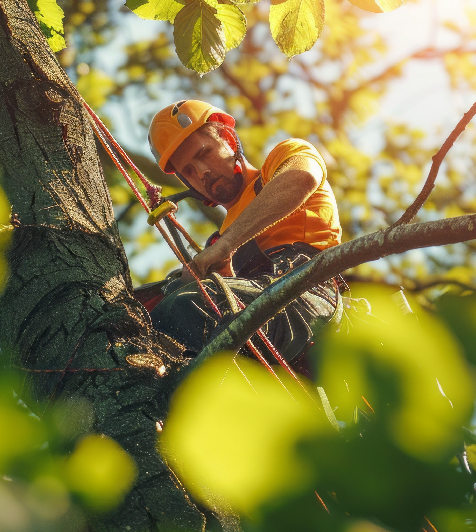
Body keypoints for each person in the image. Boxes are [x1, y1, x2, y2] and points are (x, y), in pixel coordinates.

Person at [144, 99, 344, 369]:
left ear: (227, 138)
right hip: (258, 311)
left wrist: (226, 246)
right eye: (189, 171)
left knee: (182, 309)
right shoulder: (218, 240)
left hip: (307, 296)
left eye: (204, 154)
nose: (202, 172)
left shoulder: (282, 162)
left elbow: (301, 178)